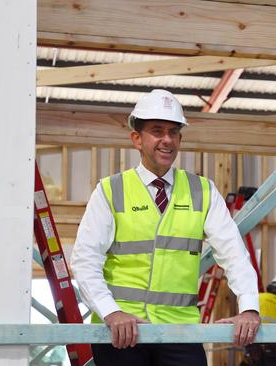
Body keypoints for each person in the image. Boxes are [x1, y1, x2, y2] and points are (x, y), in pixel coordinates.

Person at [70, 89, 261, 365]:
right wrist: (111, 312)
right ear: (136, 138)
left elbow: (234, 254)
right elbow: (85, 260)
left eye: (173, 132)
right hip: (122, 332)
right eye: (157, 131)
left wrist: (250, 308)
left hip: (179, 332)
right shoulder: (111, 191)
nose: (167, 140)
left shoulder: (202, 191)